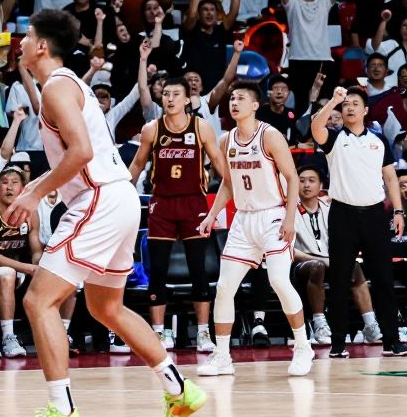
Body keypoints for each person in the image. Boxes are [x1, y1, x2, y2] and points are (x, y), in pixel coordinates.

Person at [9, 9, 205, 417]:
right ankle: (179, 389)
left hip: (98, 199)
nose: (19, 42)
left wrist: (35, 193)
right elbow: (79, 155)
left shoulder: (57, 88)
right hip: (119, 198)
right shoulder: (66, 85)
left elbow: (78, 153)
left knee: (38, 301)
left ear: (42, 46)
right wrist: (37, 188)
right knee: (105, 307)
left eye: (26, 36)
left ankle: (62, 412)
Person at [196, 82, 315, 378]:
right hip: (243, 220)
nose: (234, 103)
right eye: (232, 98)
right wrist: (212, 215)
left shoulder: (270, 136)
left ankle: (303, 346)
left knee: (278, 280)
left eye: (240, 99)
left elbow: (291, 177)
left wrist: (290, 219)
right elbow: (227, 183)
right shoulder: (226, 140)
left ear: (254, 105)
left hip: (273, 216)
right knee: (224, 288)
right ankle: (222, 356)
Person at [309, 86, 406, 357]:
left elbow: (389, 179)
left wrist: (398, 212)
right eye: (346, 104)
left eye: (354, 103)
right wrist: (333, 102)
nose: (349, 107)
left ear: (365, 110)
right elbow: (315, 126)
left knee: (384, 280)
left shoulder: (378, 141)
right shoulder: (334, 139)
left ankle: (391, 340)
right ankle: (338, 343)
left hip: (375, 215)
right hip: (343, 215)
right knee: (339, 281)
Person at [128, 78, 224, 352]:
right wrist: (122, 191)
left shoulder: (201, 127)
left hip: (194, 203)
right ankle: (158, 334)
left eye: (176, 94)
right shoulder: (152, 129)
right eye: (166, 94)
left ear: (187, 100)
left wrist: (233, 190)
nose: (170, 98)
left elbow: (218, 163)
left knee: (199, 269)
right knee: (157, 270)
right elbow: (137, 164)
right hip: (162, 204)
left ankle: (203, 333)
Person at [292, 164, 383, 347]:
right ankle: (320, 326)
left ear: (321, 185)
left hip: (332, 260)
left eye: (311, 181)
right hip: (301, 263)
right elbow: (289, 249)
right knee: (317, 267)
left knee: (354, 267)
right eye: (301, 181)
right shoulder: (288, 210)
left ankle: (370, 325)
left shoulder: (331, 209)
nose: (306, 185)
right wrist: (320, 259)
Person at [271, 0, 350, 116]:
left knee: (321, 103)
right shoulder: (292, 3)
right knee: (300, 103)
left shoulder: (324, 2)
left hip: (321, 60)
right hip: (298, 60)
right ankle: (301, 140)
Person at [0, 165, 42, 358]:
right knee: (7, 274)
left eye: (14, 183)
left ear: (23, 189)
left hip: (21, 268)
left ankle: (61, 332)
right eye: (4, 183)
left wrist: (40, 266)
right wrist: (29, 268)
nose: (9, 188)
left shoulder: (31, 214)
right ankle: (8, 337)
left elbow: (36, 250)